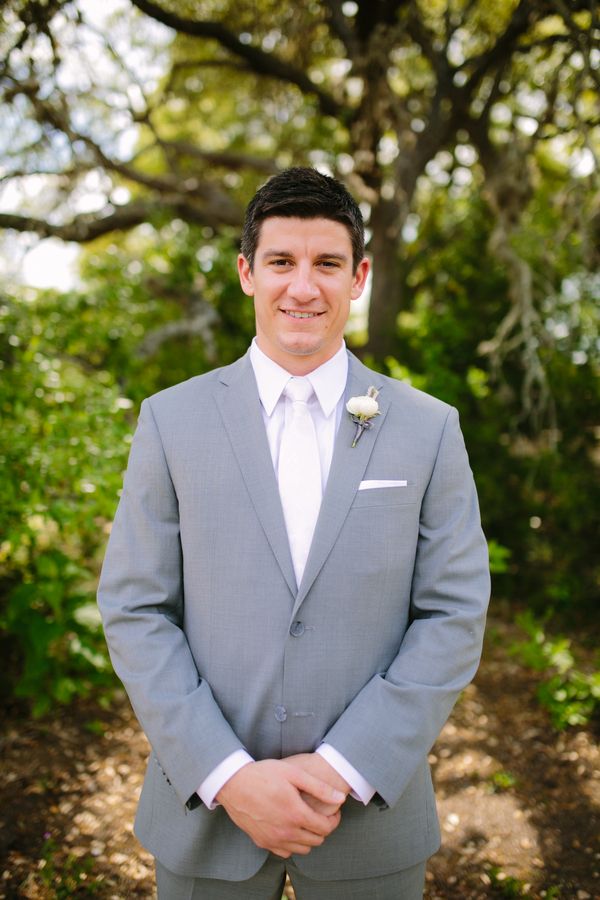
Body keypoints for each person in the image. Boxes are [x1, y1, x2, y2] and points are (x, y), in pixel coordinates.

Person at [98, 166, 490, 899]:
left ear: (360, 276)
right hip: (206, 817)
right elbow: (135, 608)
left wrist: (344, 766)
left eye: (327, 264)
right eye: (281, 262)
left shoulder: (430, 429)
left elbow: (454, 614)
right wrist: (228, 775)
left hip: (371, 819)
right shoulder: (170, 420)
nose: (303, 287)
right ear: (247, 273)